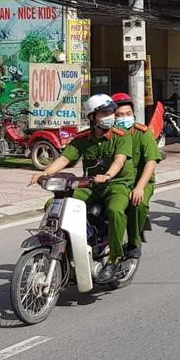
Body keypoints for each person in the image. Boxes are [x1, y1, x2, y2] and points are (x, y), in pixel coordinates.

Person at [30, 94, 134, 283]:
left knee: (115, 210)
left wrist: (108, 175)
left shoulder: (122, 136)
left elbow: (119, 160)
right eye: (104, 112)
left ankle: (114, 258)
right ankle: (71, 242)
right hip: (90, 185)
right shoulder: (82, 138)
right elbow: (65, 158)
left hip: (115, 185)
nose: (110, 116)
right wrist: (44, 173)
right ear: (92, 117)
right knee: (54, 204)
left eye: (111, 111)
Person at [112, 92, 163, 259]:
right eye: (119, 115)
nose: (124, 118)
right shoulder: (109, 134)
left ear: (133, 114)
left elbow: (151, 161)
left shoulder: (142, 133)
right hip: (116, 182)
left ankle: (134, 242)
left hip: (140, 181)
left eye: (128, 114)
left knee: (138, 204)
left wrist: (140, 187)